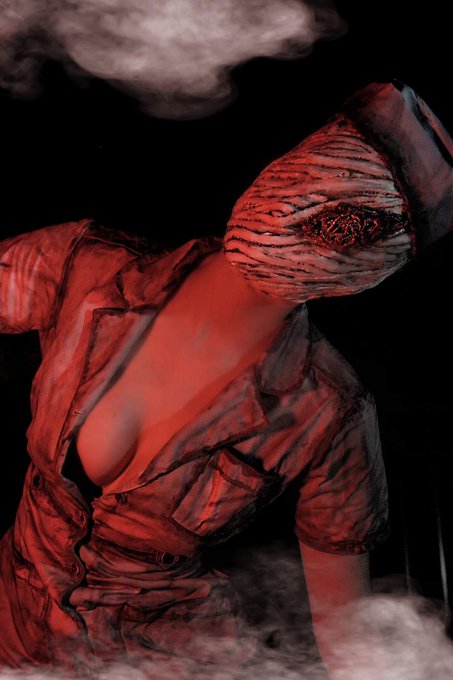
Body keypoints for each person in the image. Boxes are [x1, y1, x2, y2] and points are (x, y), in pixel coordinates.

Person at [0, 80, 451, 679]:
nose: (309, 211)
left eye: (354, 219)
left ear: (374, 268)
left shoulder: (330, 410)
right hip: (14, 631)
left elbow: (345, 632)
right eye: (320, 170)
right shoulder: (83, 267)